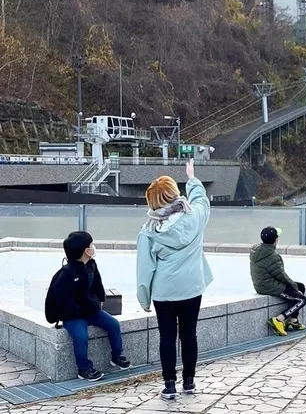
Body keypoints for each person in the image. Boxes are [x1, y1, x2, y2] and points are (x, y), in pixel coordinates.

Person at [137, 159, 212, 401]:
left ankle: (169, 386)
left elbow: (144, 269)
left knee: (167, 337)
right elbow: (202, 200)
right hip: (191, 287)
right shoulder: (195, 217)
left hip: (164, 292)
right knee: (189, 334)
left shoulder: (148, 230)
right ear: (174, 194)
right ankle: (189, 382)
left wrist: (144, 297)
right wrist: (191, 178)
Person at [48, 231, 131, 381]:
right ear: (86, 251)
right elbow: (60, 297)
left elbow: (98, 285)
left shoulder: (91, 265)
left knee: (113, 324)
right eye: (91, 245)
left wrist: (99, 300)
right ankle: (84, 369)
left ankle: (117, 356)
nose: (93, 247)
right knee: (81, 336)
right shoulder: (67, 273)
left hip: (92, 311)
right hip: (73, 316)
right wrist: (71, 314)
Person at [250, 226, 306, 336]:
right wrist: (293, 286)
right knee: (301, 300)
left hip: (263, 283)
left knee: (301, 287)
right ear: (276, 240)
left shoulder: (256, 249)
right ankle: (278, 319)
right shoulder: (272, 256)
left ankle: (293, 322)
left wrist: (295, 287)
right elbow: (282, 276)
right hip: (269, 286)